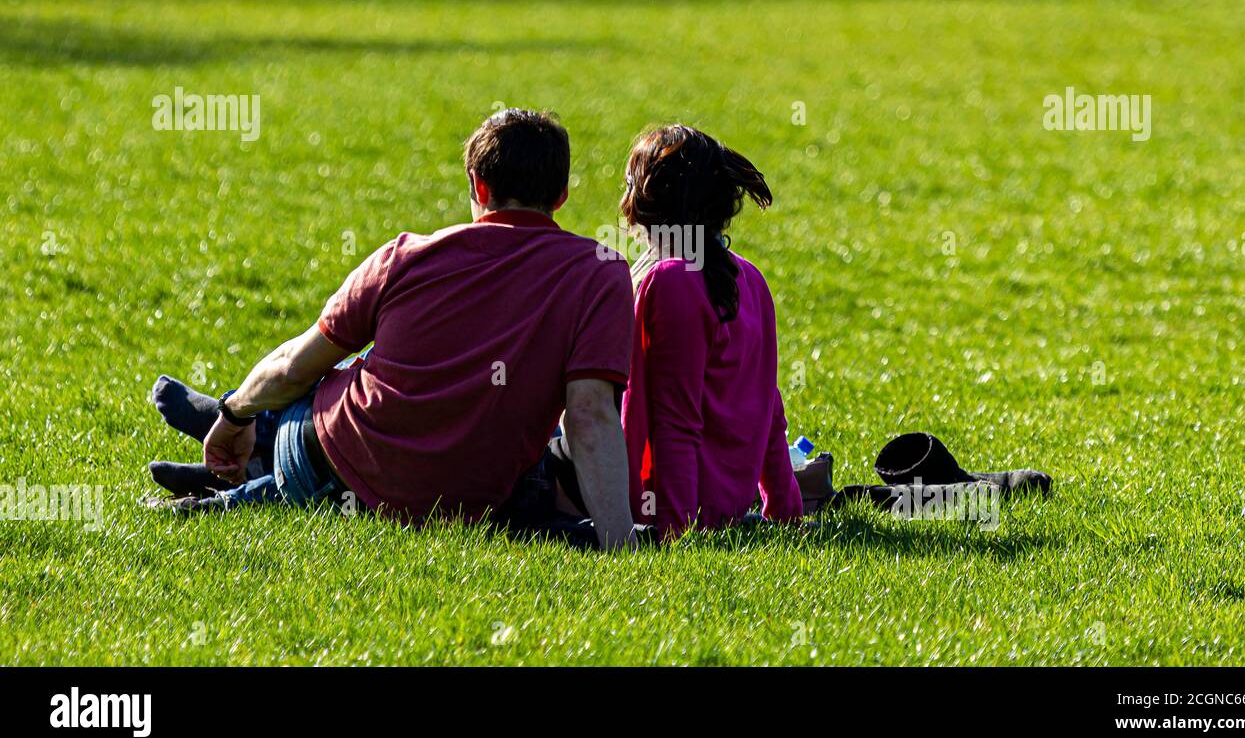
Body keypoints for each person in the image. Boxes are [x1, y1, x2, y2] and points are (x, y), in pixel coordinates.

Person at [148, 109, 638, 552]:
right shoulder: (600, 273)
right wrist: (619, 544)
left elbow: (294, 367)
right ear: (561, 194)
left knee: (331, 377)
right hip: (465, 500)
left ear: (478, 186)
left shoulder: (405, 256)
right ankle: (245, 461)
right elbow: (591, 415)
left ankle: (241, 445)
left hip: (327, 465)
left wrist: (235, 413)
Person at [617, 125, 804, 538]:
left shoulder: (671, 282)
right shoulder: (750, 277)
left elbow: (674, 423)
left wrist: (674, 529)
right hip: (723, 506)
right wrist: (785, 508)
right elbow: (769, 408)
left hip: (666, 506)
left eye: (630, 184)